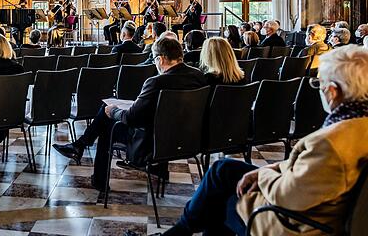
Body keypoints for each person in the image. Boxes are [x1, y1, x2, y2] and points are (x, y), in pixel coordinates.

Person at [163, 45, 368, 236]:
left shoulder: (330, 143)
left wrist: (264, 174)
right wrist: (264, 170)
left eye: (318, 83)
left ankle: (179, 231)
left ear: (333, 91)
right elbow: (315, 170)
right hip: (317, 208)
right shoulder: (357, 126)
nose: (319, 88)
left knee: (217, 201)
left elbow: (286, 196)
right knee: (222, 170)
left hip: (290, 223)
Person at [53, 38, 207, 190]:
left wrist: (113, 110)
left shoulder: (155, 82)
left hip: (150, 142)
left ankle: (97, 176)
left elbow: (130, 118)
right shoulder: (199, 77)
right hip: (188, 140)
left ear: (160, 59)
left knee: (107, 124)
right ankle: (80, 146)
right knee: (115, 116)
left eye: (154, 60)